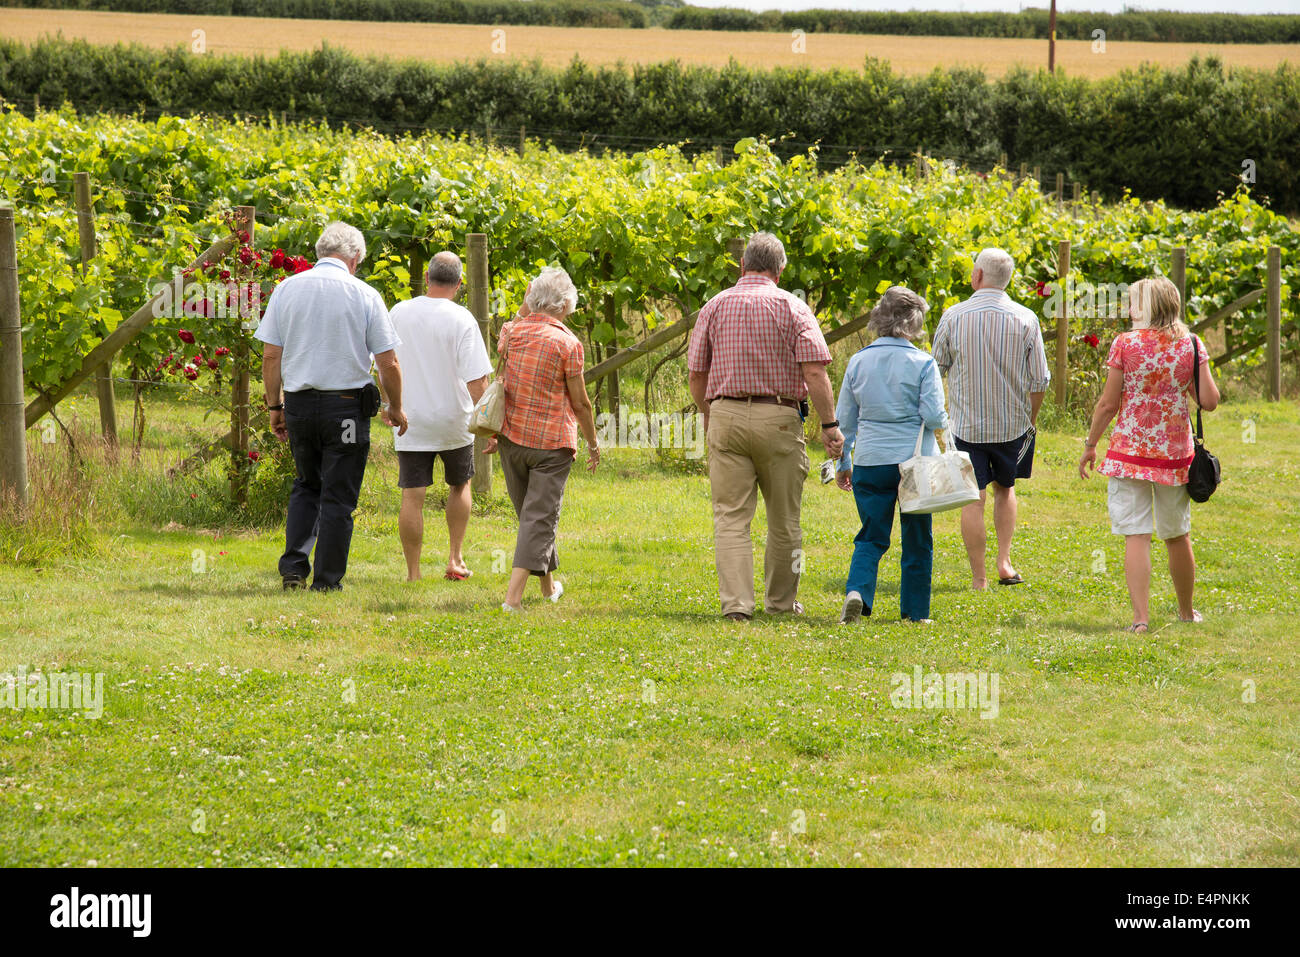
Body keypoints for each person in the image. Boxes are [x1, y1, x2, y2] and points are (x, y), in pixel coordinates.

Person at [687, 232, 844, 622]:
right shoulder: (794, 307)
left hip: (725, 415)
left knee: (730, 517)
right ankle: (781, 602)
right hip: (779, 418)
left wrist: (710, 414)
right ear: (781, 269)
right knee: (785, 519)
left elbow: (696, 373)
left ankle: (737, 606)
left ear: (742, 266)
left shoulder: (714, 305)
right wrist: (830, 426)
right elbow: (814, 371)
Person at [256, 221, 407, 592]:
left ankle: (293, 568)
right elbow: (388, 363)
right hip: (346, 409)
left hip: (300, 404)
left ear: (320, 253)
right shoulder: (365, 295)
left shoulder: (286, 289)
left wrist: (275, 406)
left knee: (306, 484)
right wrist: (394, 406)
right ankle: (326, 581)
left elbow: (271, 354)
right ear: (355, 259)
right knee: (338, 494)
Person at [1079, 277, 1219, 633]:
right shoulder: (1191, 343)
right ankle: (1187, 612)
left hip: (1130, 452)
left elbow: (1109, 403)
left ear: (1147, 306)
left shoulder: (1126, 344)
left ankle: (1140, 620)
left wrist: (1091, 444)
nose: (1128, 309)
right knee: (1177, 534)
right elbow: (1209, 401)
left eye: (1133, 302)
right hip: (1175, 456)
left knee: (1136, 535)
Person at [484, 267, 600, 612]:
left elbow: (518, 319)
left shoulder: (511, 333)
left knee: (532, 517)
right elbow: (580, 403)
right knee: (538, 519)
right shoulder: (568, 343)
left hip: (512, 440)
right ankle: (513, 600)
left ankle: (549, 589)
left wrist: (528, 299)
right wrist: (593, 443)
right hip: (551, 445)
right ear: (565, 305)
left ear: (532, 299)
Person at [932, 247, 1049, 590]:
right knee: (1006, 489)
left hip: (966, 425)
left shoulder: (953, 316)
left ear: (979, 275)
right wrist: (1030, 419)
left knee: (973, 496)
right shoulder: (1027, 317)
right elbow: (1040, 380)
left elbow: (935, 369)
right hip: (1011, 424)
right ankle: (1004, 562)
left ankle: (979, 578)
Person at [834, 287, 949, 625]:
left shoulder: (858, 361)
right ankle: (914, 612)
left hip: (870, 460)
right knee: (917, 539)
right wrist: (942, 416)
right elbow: (933, 417)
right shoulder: (923, 362)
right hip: (913, 464)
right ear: (914, 324)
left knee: (870, 534)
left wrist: (844, 463)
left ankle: (857, 591)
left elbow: (845, 420)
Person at [384, 252, 492, 582]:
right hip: (453, 421)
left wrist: (391, 403)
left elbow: (384, 363)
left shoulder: (398, 313)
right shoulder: (462, 319)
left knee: (412, 495)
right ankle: (455, 559)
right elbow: (478, 382)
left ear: (427, 279)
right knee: (460, 485)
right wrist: (490, 427)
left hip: (409, 419)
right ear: (460, 284)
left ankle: (413, 573)